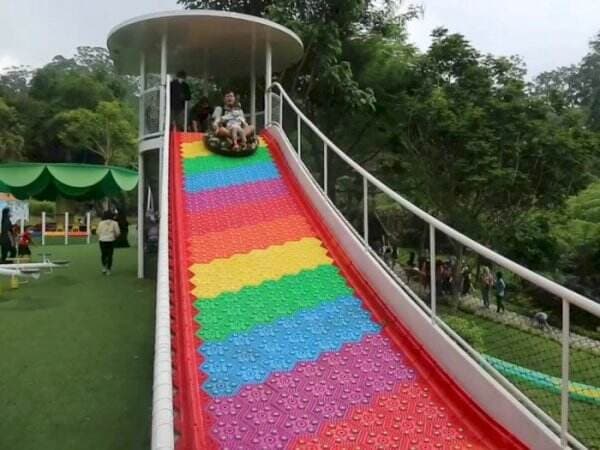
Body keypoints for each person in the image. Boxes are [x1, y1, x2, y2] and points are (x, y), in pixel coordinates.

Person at [97, 210, 120, 275]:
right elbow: (118, 232)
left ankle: (104, 267)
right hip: (111, 240)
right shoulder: (115, 223)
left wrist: (101, 236)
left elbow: (98, 232)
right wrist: (115, 237)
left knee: (103, 254)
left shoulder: (101, 223)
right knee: (110, 255)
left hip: (102, 240)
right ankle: (109, 269)